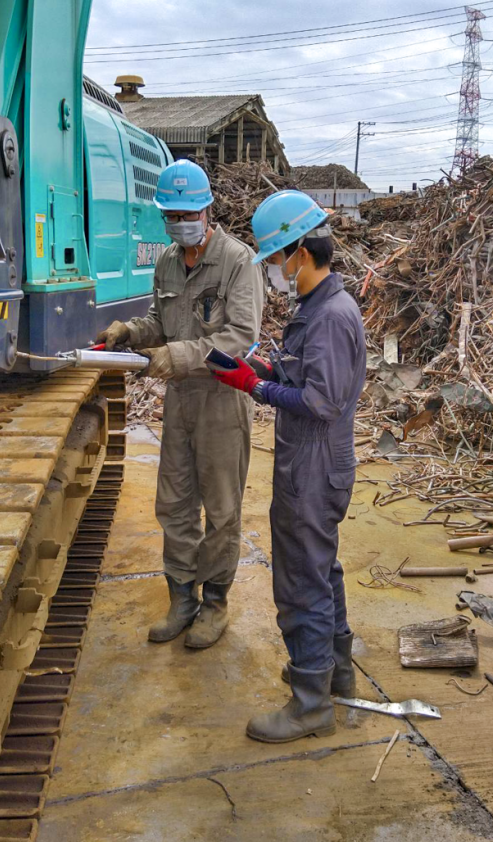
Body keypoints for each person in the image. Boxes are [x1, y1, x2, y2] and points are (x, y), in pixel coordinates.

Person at [213, 189, 366, 743]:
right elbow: (307, 376)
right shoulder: (318, 308)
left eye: (276, 259)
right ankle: (334, 673)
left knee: (302, 582)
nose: (274, 270)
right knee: (321, 571)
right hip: (315, 462)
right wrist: (264, 364)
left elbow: (322, 401)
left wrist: (256, 387)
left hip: (313, 465)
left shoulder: (328, 316)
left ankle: (310, 704)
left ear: (302, 252)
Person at [99, 159, 264, 649]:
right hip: (180, 404)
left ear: (207, 208)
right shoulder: (169, 260)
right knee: (174, 504)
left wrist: (177, 354)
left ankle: (214, 603)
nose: (179, 221)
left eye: (187, 212)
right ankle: (182, 599)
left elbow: (241, 338)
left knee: (221, 507)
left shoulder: (239, 262)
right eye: (170, 214)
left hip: (221, 401)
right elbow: (160, 319)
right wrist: (130, 332)